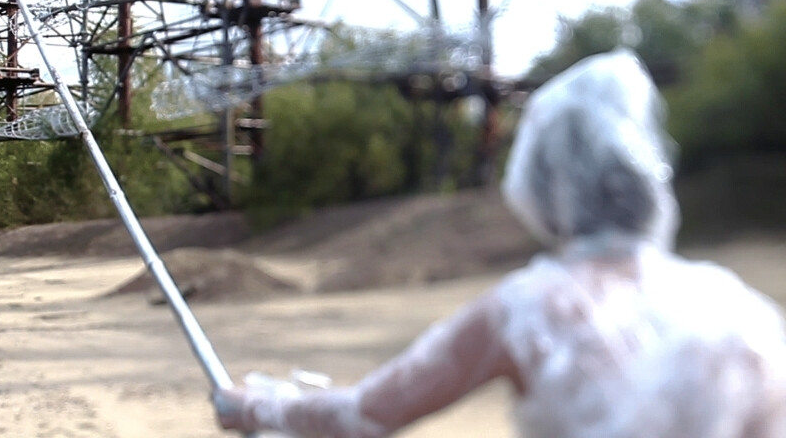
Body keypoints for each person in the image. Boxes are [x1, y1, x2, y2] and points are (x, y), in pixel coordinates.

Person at [214, 49, 786, 438]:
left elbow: (365, 415)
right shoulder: (741, 307)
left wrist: (256, 406)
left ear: (543, 185)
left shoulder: (530, 310)